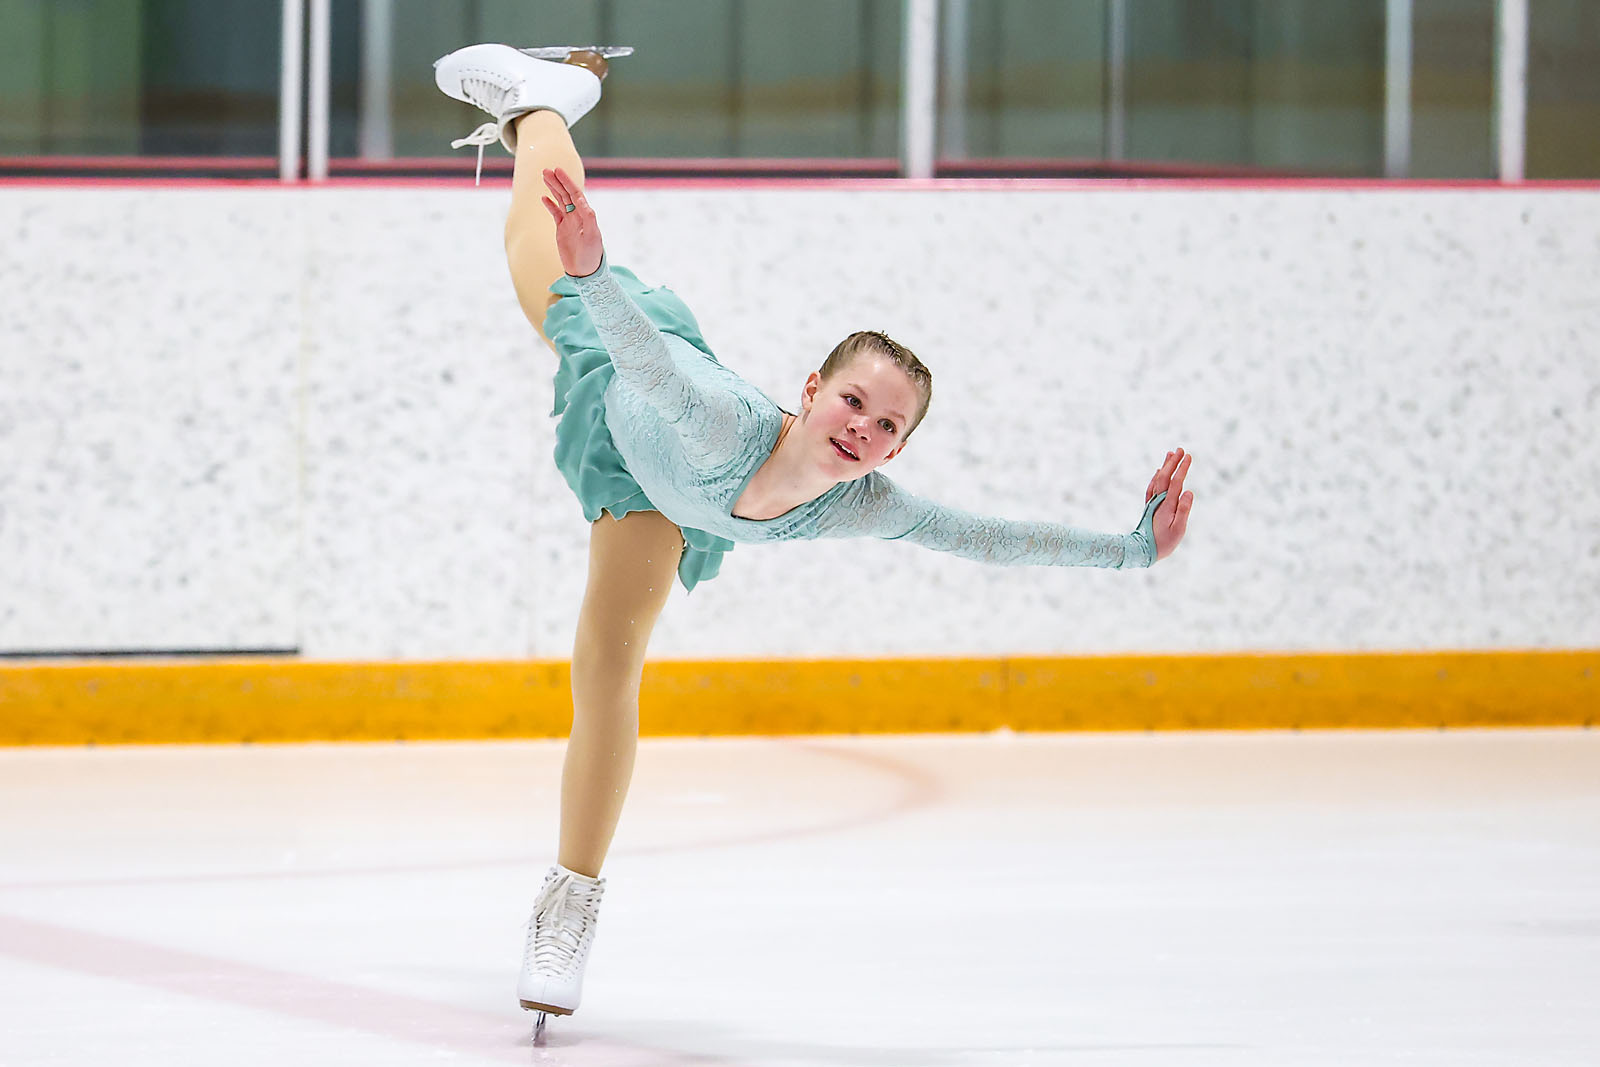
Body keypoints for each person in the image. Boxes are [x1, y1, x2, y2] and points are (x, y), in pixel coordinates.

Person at [432, 42, 1196, 1034]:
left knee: (612, 665)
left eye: (887, 427)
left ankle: (567, 904)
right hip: (623, 373)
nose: (862, 431)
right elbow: (645, 365)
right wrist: (594, 276)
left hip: (670, 498)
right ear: (809, 390)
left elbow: (991, 537)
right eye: (852, 401)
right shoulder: (714, 415)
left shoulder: (862, 501)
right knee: (529, 245)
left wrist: (1134, 548)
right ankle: (543, 102)